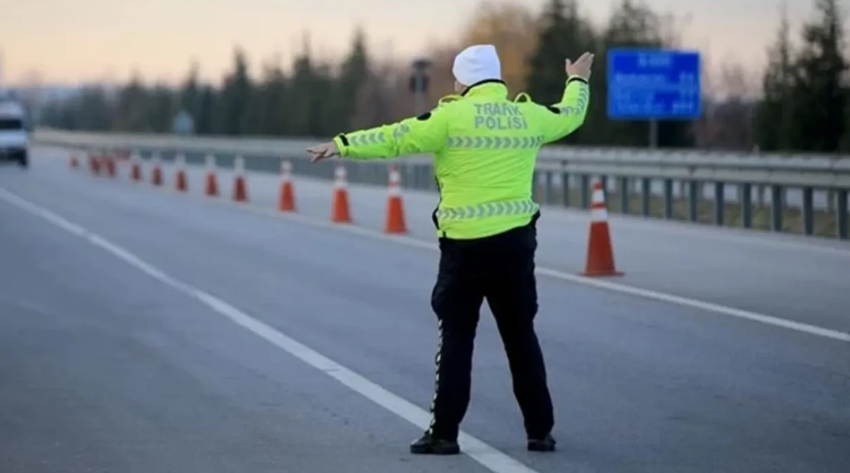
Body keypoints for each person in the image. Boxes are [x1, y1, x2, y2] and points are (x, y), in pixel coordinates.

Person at [307, 44, 593, 455]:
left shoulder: (449, 117)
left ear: (463, 81)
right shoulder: (527, 115)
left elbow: (395, 137)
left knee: (457, 338)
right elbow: (571, 114)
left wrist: (343, 144)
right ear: (495, 77)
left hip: (464, 249)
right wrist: (577, 80)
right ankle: (539, 431)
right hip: (515, 246)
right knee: (520, 337)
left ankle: (444, 433)